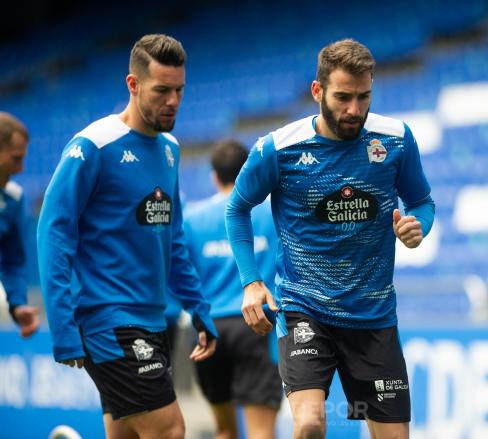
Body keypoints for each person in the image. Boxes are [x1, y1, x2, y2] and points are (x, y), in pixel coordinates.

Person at [226, 39, 435, 439]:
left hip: (373, 318)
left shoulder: (395, 140)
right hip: (306, 309)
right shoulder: (279, 149)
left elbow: (423, 202)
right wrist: (252, 282)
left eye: (363, 97)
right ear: (317, 91)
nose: (354, 109)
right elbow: (236, 208)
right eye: (343, 97)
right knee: (310, 423)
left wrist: (417, 226)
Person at [37, 34, 217, 439]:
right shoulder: (92, 148)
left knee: (129, 435)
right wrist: (62, 326)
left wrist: (198, 306)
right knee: (170, 429)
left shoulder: (170, 149)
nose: (173, 100)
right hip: (109, 320)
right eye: (162, 90)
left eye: (179, 90)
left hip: (152, 320)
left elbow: (174, 239)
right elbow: (53, 233)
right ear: (133, 85)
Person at [184, 139, 281, 439]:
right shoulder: (272, 213)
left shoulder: (192, 218)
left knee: (224, 431)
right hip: (258, 325)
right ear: (248, 172)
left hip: (209, 329)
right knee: (261, 432)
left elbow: (183, 276)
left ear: (215, 176)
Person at [0, 112, 39, 338]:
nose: (21, 169)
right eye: (16, 159)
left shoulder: (13, 198)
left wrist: (17, 304)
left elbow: (12, 261)